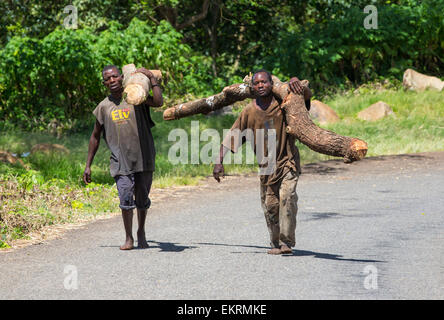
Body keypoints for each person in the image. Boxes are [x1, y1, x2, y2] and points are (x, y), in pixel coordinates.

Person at [213, 69, 312, 255]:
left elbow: (305, 98)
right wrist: (219, 162)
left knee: (287, 198)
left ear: (271, 83)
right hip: (266, 168)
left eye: (264, 82)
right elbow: (231, 137)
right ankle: (275, 243)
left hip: (287, 162)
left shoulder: (284, 103)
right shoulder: (249, 112)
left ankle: (286, 243)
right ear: (252, 86)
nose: (261, 85)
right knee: (271, 205)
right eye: (257, 83)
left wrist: (296, 81)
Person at [83, 65, 163, 250]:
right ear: (104, 83)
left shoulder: (136, 95)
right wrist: (88, 165)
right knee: (125, 198)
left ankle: (141, 232)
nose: (111, 81)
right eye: (107, 79)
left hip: (144, 157)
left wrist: (151, 78)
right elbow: (95, 136)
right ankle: (129, 238)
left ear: (121, 77)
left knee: (142, 199)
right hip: (120, 160)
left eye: (114, 77)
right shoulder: (103, 107)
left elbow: (158, 102)